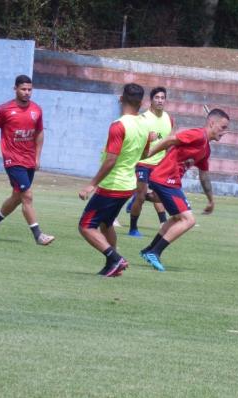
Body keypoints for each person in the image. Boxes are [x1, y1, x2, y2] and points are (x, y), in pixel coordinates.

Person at [139, 109, 230, 272]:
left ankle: (149, 249)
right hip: (165, 179)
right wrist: (149, 153)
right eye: (223, 127)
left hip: (170, 182)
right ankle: (155, 252)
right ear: (212, 123)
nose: (225, 132)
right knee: (189, 220)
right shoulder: (198, 134)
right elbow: (170, 140)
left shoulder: (205, 148)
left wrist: (211, 199)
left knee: (176, 218)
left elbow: (204, 176)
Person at [77, 83, 150, 277]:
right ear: (141, 103)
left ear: (121, 98)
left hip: (112, 184)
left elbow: (111, 159)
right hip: (128, 185)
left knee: (86, 226)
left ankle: (115, 258)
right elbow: (146, 152)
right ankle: (113, 265)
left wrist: (91, 184)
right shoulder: (145, 125)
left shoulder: (118, 125)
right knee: (106, 224)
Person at [0, 74, 54, 245]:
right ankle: (38, 235)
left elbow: (39, 133)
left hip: (29, 159)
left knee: (17, 197)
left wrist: (37, 157)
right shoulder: (4, 109)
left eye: (29, 89)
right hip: (12, 160)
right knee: (27, 196)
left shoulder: (37, 110)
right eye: (23, 89)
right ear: (15, 89)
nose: (27, 92)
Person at [127, 87, 174, 237]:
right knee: (141, 197)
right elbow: (134, 140)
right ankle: (133, 228)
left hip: (160, 166)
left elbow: (169, 142)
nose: (160, 100)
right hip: (143, 163)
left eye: (162, 98)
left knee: (160, 196)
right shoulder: (143, 118)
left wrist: (169, 161)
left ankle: (135, 196)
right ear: (151, 100)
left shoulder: (169, 119)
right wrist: (147, 139)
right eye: (157, 98)